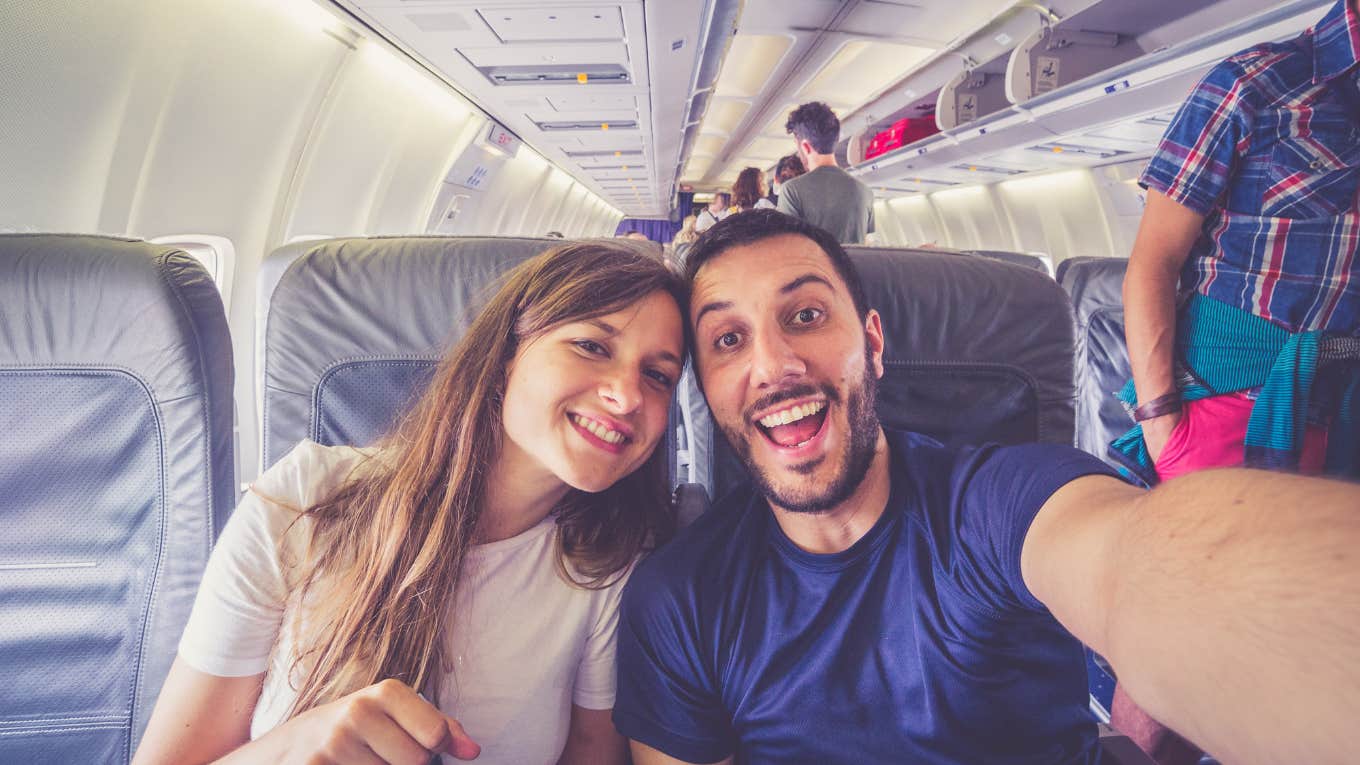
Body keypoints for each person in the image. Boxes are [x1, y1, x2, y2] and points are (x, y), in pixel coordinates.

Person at [614, 209, 1360, 765]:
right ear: (702, 389)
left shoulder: (997, 503)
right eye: (728, 339)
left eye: (805, 316)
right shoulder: (681, 597)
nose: (774, 363)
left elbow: (1143, 561)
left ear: (873, 345)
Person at [133, 242, 687, 765]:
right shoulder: (304, 500)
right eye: (592, 346)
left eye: (658, 376)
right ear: (506, 353)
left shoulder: (610, 566)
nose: (628, 394)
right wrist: (294, 746)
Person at [1116, 2, 1360, 760]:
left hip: (1338, 400)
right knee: (1169, 664)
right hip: (1220, 396)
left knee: (1293, 653)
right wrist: (1164, 429)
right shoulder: (1258, 83)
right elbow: (1152, 260)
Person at [776, 102, 875, 244]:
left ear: (805, 146)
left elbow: (788, 248)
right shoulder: (865, 192)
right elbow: (867, 244)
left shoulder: (791, 191)